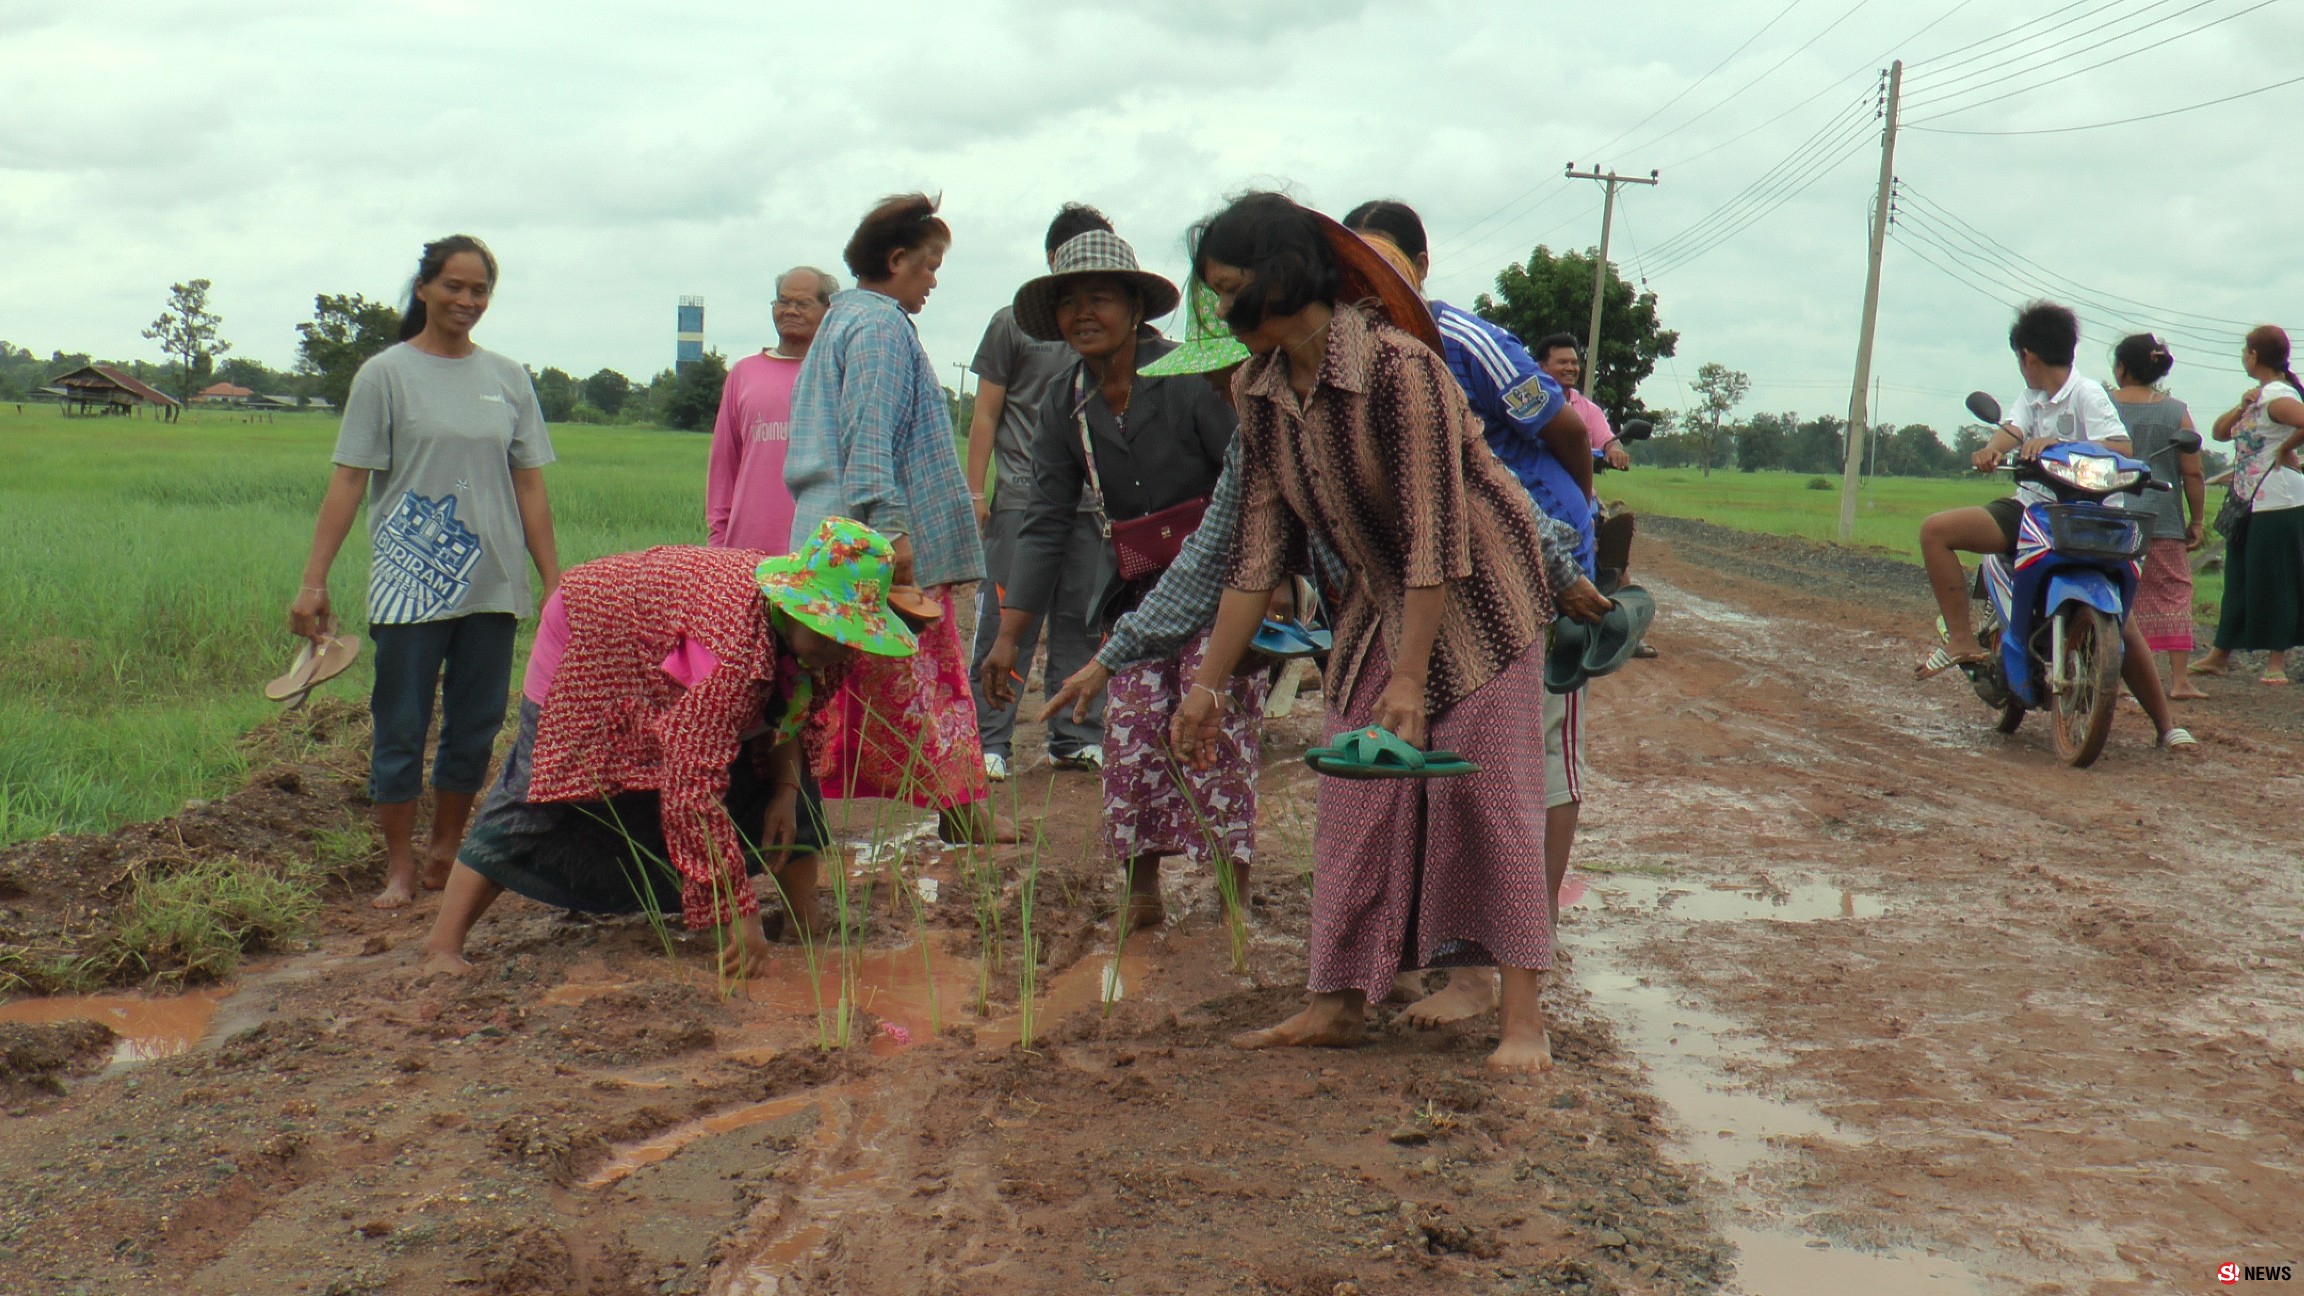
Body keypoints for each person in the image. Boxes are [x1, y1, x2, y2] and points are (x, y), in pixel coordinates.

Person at [1171, 192, 1576, 1074]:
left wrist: (1410, 681)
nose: (1220, 313)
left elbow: (1439, 532)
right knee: (1357, 794)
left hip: (1481, 601)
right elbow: (1257, 553)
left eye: (1232, 289)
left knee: (1487, 799)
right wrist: (1204, 686)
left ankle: (1522, 1021)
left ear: (1279, 279)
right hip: (1378, 600)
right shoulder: (1263, 389)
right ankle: (1336, 1003)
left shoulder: (1401, 369)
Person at [418, 520, 917, 979]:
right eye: (829, 629)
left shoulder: (827, 648)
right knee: (544, 787)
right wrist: (737, 912)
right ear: (792, 607)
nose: (838, 646)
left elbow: (791, 715)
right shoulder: (736, 649)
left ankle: (807, 923)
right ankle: (442, 943)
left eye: (849, 634)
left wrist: (786, 790)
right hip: (595, 635)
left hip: (676, 642)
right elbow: (691, 786)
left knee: (780, 782)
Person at [1344, 199, 1603, 1028]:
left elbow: (1563, 430)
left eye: (1391, 263)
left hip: (1531, 566)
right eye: (1359, 264)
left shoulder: (1464, 340)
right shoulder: (1350, 352)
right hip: (1434, 580)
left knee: (1535, 763)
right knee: (1450, 766)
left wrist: (1569, 534)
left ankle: (1527, 947)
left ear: (1421, 265)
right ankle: (1461, 958)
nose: (1376, 282)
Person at [981, 233, 1246, 930]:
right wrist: (1010, 636)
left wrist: (1269, 583)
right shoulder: (1067, 399)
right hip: (1138, 590)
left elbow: (1252, 485)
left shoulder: (1189, 379)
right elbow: (1043, 519)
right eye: (1068, 303)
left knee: (1212, 731)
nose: (1082, 314)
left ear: (1135, 306)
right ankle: (1141, 893)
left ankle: (1232, 896)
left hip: (1225, 584)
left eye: (1098, 299)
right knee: (1129, 739)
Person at [289, 235, 560, 910]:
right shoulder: (385, 374)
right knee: (401, 724)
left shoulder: (508, 378)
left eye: (479, 291)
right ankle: (399, 869)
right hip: (409, 584)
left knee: (475, 724)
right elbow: (351, 478)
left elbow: (529, 487)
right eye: (454, 287)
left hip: (492, 583)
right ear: (424, 289)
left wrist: (556, 580)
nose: (466, 301)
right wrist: (314, 579)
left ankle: (445, 850)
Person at [783, 193, 1007, 843]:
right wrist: (895, 536)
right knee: (917, 683)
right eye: (930, 264)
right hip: (873, 547)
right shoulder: (879, 328)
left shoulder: (845, 321)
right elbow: (869, 438)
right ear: (897, 259)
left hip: (834, 542)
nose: (934, 279)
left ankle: (797, 817)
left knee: (820, 684)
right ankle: (960, 816)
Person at [1915, 302, 2194, 750]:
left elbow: (2119, 443)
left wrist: (2061, 444)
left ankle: (2167, 726)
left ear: (2027, 356)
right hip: (2032, 511)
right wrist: (1991, 449)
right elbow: (2011, 429)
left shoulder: (2087, 394)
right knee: (1936, 531)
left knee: (2122, 624)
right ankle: (1962, 639)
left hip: (2092, 517)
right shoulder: (2030, 399)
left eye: (2020, 360)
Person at [964, 205, 1114, 779]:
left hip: (1092, 505)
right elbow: (986, 413)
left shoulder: (1114, 332)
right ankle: (990, 743)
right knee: (1006, 623)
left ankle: (1075, 737)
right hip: (1023, 501)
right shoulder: (1011, 325)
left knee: (1082, 622)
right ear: (1052, 263)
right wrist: (977, 494)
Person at [2192, 324, 2304, 685]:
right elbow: (2219, 433)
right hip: (2246, 499)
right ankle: (2220, 652)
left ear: (2254, 356)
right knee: (2238, 576)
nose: (2243, 357)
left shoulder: (2278, 397)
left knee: (2276, 579)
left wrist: (2286, 448)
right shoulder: (2259, 396)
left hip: (2277, 501)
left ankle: (2276, 662)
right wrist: (2240, 406)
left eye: (2245, 351)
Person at [707, 266, 839, 550]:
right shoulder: (744, 374)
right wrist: (717, 543)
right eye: (783, 301)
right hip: (746, 550)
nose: (790, 311)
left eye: (802, 304)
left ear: (829, 311)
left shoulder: (838, 375)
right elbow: (723, 467)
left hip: (819, 552)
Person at [2107, 333, 2207, 699]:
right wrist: (2195, 521)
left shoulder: (2102, 405)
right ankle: (2179, 681)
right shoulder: (2174, 410)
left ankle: (2112, 674)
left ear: (2120, 367)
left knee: (2116, 592)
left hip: (2111, 517)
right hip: (2162, 519)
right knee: (2174, 590)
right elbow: (2193, 472)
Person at [1534, 333, 1631, 472]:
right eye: (1562, 362)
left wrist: (1615, 450)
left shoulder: (1590, 410)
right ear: (1542, 367)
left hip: (1579, 489)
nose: (1570, 368)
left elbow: (1608, 441)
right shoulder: (1529, 405)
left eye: (1574, 363)